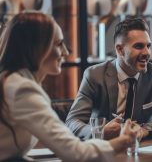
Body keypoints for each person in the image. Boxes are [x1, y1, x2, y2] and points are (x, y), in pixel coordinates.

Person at [0, 12, 138, 161]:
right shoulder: (22, 89)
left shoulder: (12, 82)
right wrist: (123, 141)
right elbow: (76, 153)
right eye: (59, 44)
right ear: (37, 47)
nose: (65, 52)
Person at [65, 17, 152, 140]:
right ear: (120, 49)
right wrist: (100, 131)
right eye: (139, 46)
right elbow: (72, 122)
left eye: (148, 46)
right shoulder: (94, 75)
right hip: (104, 150)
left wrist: (144, 130)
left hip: (141, 150)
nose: (147, 53)